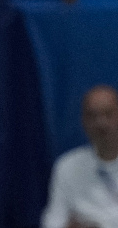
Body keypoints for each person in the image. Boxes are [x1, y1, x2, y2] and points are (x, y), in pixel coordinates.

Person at [41, 84, 118, 228]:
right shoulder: (67, 166)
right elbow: (52, 220)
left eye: (108, 114)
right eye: (93, 116)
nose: (101, 123)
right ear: (84, 121)